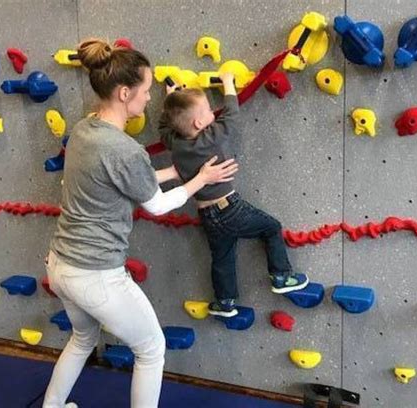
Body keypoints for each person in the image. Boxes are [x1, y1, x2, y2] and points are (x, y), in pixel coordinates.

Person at [43, 38, 238, 408]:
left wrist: (178, 170)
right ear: (124, 92)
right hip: (95, 274)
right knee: (151, 349)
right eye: (146, 91)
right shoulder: (126, 150)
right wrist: (201, 181)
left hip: (59, 265)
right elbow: (157, 206)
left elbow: (126, 176)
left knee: (82, 340)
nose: (150, 98)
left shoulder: (86, 129)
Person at [159, 72, 309, 318]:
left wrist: (172, 98)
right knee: (271, 227)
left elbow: (164, 126)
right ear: (198, 123)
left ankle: (225, 301)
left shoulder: (174, 143)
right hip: (228, 208)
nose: (212, 113)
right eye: (208, 110)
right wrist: (229, 85)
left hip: (207, 213)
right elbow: (230, 118)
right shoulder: (206, 138)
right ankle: (281, 276)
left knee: (222, 257)